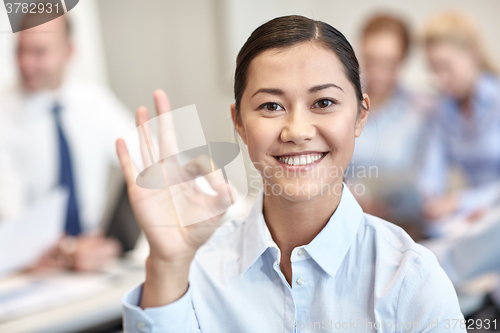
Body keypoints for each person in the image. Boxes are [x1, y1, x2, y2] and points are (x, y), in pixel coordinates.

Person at [119, 15, 465, 332]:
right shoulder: (197, 269)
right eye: (271, 106)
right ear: (238, 122)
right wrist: (166, 264)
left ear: (360, 116)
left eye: (323, 103)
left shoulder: (411, 279)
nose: (297, 130)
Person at [0, 14, 134, 271]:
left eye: (38, 52)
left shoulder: (93, 102)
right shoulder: (3, 115)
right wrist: (61, 251)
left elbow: (145, 160)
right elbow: (10, 214)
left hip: (91, 260)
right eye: (20, 51)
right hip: (30, 267)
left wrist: (111, 245)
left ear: (68, 51)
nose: (25, 64)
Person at [350, 14, 432, 234]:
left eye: (388, 63)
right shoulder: (343, 104)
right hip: (343, 217)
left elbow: (427, 183)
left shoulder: (422, 111)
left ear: (403, 59)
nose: (376, 72)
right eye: (370, 60)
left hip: (400, 226)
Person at [418, 12, 500, 230]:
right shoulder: (442, 110)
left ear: (472, 54)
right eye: (434, 69)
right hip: (472, 218)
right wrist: (428, 200)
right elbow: (432, 169)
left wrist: (460, 202)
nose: (440, 78)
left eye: (446, 66)